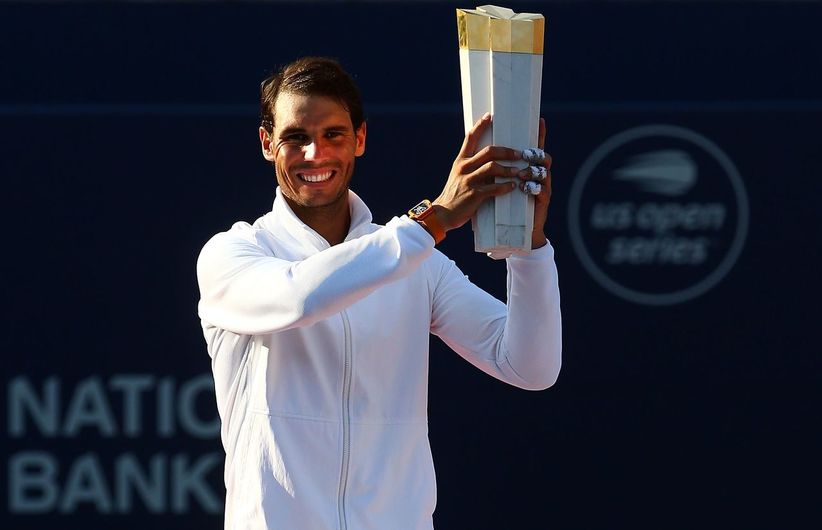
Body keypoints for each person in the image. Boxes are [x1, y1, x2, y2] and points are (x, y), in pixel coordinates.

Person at [196, 56, 561, 529]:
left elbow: (530, 366)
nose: (315, 154)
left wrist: (528, 250)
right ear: (267, 143)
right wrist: (431, 220)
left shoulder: (416, 261)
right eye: (296, 138)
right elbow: (299, 297)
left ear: (360, 140)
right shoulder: (232, 254)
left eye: (333, 135)